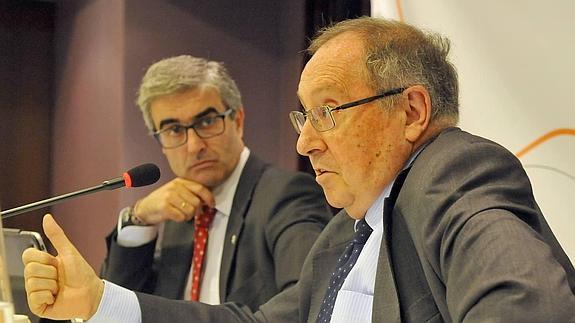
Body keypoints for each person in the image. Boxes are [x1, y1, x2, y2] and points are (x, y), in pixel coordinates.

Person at [23, 17, 575, 322]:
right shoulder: (348, 230)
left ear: (411, 112)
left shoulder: (454, 176)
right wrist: (101, 302)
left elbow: (532, 309)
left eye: (327, 112)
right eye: (303, 116)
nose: (305, 141)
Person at [97, 55, 332, 310]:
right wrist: (139, 218)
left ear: (238, 120)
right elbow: (118, 308)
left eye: (207, 122)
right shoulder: (179, 211)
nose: (194, 146)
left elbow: (308, 301)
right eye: (174, 130)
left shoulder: (286, 196)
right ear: (160, 142)